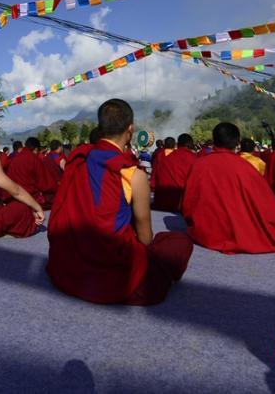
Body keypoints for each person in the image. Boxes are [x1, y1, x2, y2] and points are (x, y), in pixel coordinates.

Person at [47, 99, 194, 305]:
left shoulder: (79, 158)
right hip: (113, 263)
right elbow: (145, 238)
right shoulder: (133, 174)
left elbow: (61, 210)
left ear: (101, 127)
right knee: (180, 243)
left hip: (70, 260)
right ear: (131, 129)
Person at [182, 122, 275, 254]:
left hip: (207, 233)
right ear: (238, 142)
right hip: (242, 231)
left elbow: (187, 205)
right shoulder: (246, 167)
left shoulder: (199, 164)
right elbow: (268, 208)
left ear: (215, 140)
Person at [6, 137, 60, 209]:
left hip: (14, 197)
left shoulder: (15, 158)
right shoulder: (34, 159)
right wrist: (57, 186)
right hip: (30, 198)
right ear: (36, 149)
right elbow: (45, 184)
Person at [150, 135, 196, 212]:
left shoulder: (163, 157)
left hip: (162, 201)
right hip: (182, 203)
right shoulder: (195, 159)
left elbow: (154, 179)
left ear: (177, 145)